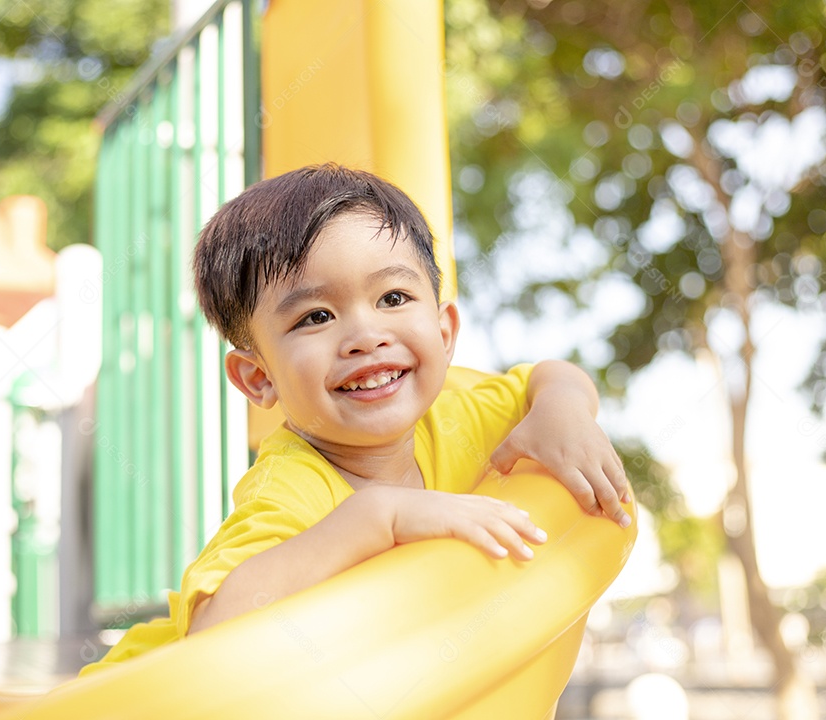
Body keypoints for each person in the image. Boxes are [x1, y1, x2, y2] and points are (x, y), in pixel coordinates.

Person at [80, 164, 630, 674]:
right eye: (315, 316)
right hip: (122, 691)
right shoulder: (292, 485)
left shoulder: (460, 411)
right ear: (258, 378)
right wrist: (377, 517)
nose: (366, 336)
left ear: (444, 332)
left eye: (393, 296)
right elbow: (212, 628)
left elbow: (547, 376)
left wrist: (566, 410)